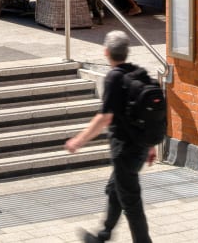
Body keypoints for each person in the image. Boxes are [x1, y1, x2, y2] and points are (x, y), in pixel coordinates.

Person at [65, 32, 156, 243]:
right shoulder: (139, 73)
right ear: (127, 51)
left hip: (124, 150)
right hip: (139, 148)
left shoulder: (114, 78)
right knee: (116, 189)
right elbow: (148, 113)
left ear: (106, 53)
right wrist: (150, 145)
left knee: (131, 203)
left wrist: (78, 140)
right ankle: (103, 235)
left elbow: (105, 117)